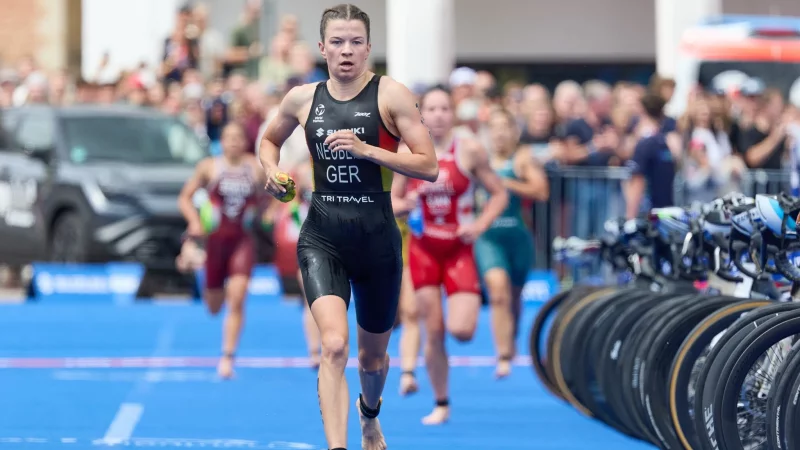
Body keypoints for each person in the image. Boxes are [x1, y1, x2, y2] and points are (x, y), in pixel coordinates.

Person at [257, 4, 438, 450]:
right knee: (334, 345)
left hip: (377, 241)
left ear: (368, 48)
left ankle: (369, 414)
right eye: (337, 42)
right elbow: (268, 140)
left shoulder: (391, 95)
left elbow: (429, 166)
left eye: (356, 42)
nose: (346, 51)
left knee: (372, 360)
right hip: (323, 237)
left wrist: (368, 150)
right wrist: (271, 171)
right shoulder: (302, 99)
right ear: (322, 48)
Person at [400, 85, 508, 425]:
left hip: (458, 249)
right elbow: (391, 199)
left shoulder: (469, 150)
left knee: (461, 330)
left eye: (444, 109)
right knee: (432, 329)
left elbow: (499, 194)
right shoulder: (408, 152)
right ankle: (441, 403)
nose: (438, 116)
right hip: (423, 249)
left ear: (453, 114)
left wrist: (479, 224)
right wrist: (406, 205)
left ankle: (459, 353)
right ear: (421, 115)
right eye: (431, 109)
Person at [178, 122, 266, 379]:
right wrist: (194, 222)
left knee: (237, 298)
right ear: (222, 142)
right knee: (214, 307)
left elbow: (270, 196)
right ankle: (202, 270)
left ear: (245, 142)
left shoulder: (255, 168)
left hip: (242, 241)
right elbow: (184, 198)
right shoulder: (209, 167)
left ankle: (227, 357)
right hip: (215, 242)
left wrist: (265, 213)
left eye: (238, 137)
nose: (234, 142)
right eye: (229, 137)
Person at [475, 108, 549, 378]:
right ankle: (503, 355)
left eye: (504, 127)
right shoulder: (479, 159)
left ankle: (511, 338)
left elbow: (541, 191)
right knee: (497, 292)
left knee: (514, 297)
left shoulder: (522, 159)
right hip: (488, 238)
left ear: (513, 131)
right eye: (494, 127)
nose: (499, 133)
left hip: (518, 237)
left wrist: (505, 183)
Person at [267, 162, 321, 368]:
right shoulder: (302, 171)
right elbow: (288, 202)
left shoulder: (345, 167)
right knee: (311, 298)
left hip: (338, 242)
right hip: (311, 245)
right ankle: (314, 351)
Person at [390, 142, 422, 396]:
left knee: (412, 311)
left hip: (413, 244)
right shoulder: (387, 154)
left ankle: (408, 373)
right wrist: (404, 203)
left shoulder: (424, 155)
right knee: (390, 318)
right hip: (385, 243)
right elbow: (385, 203)